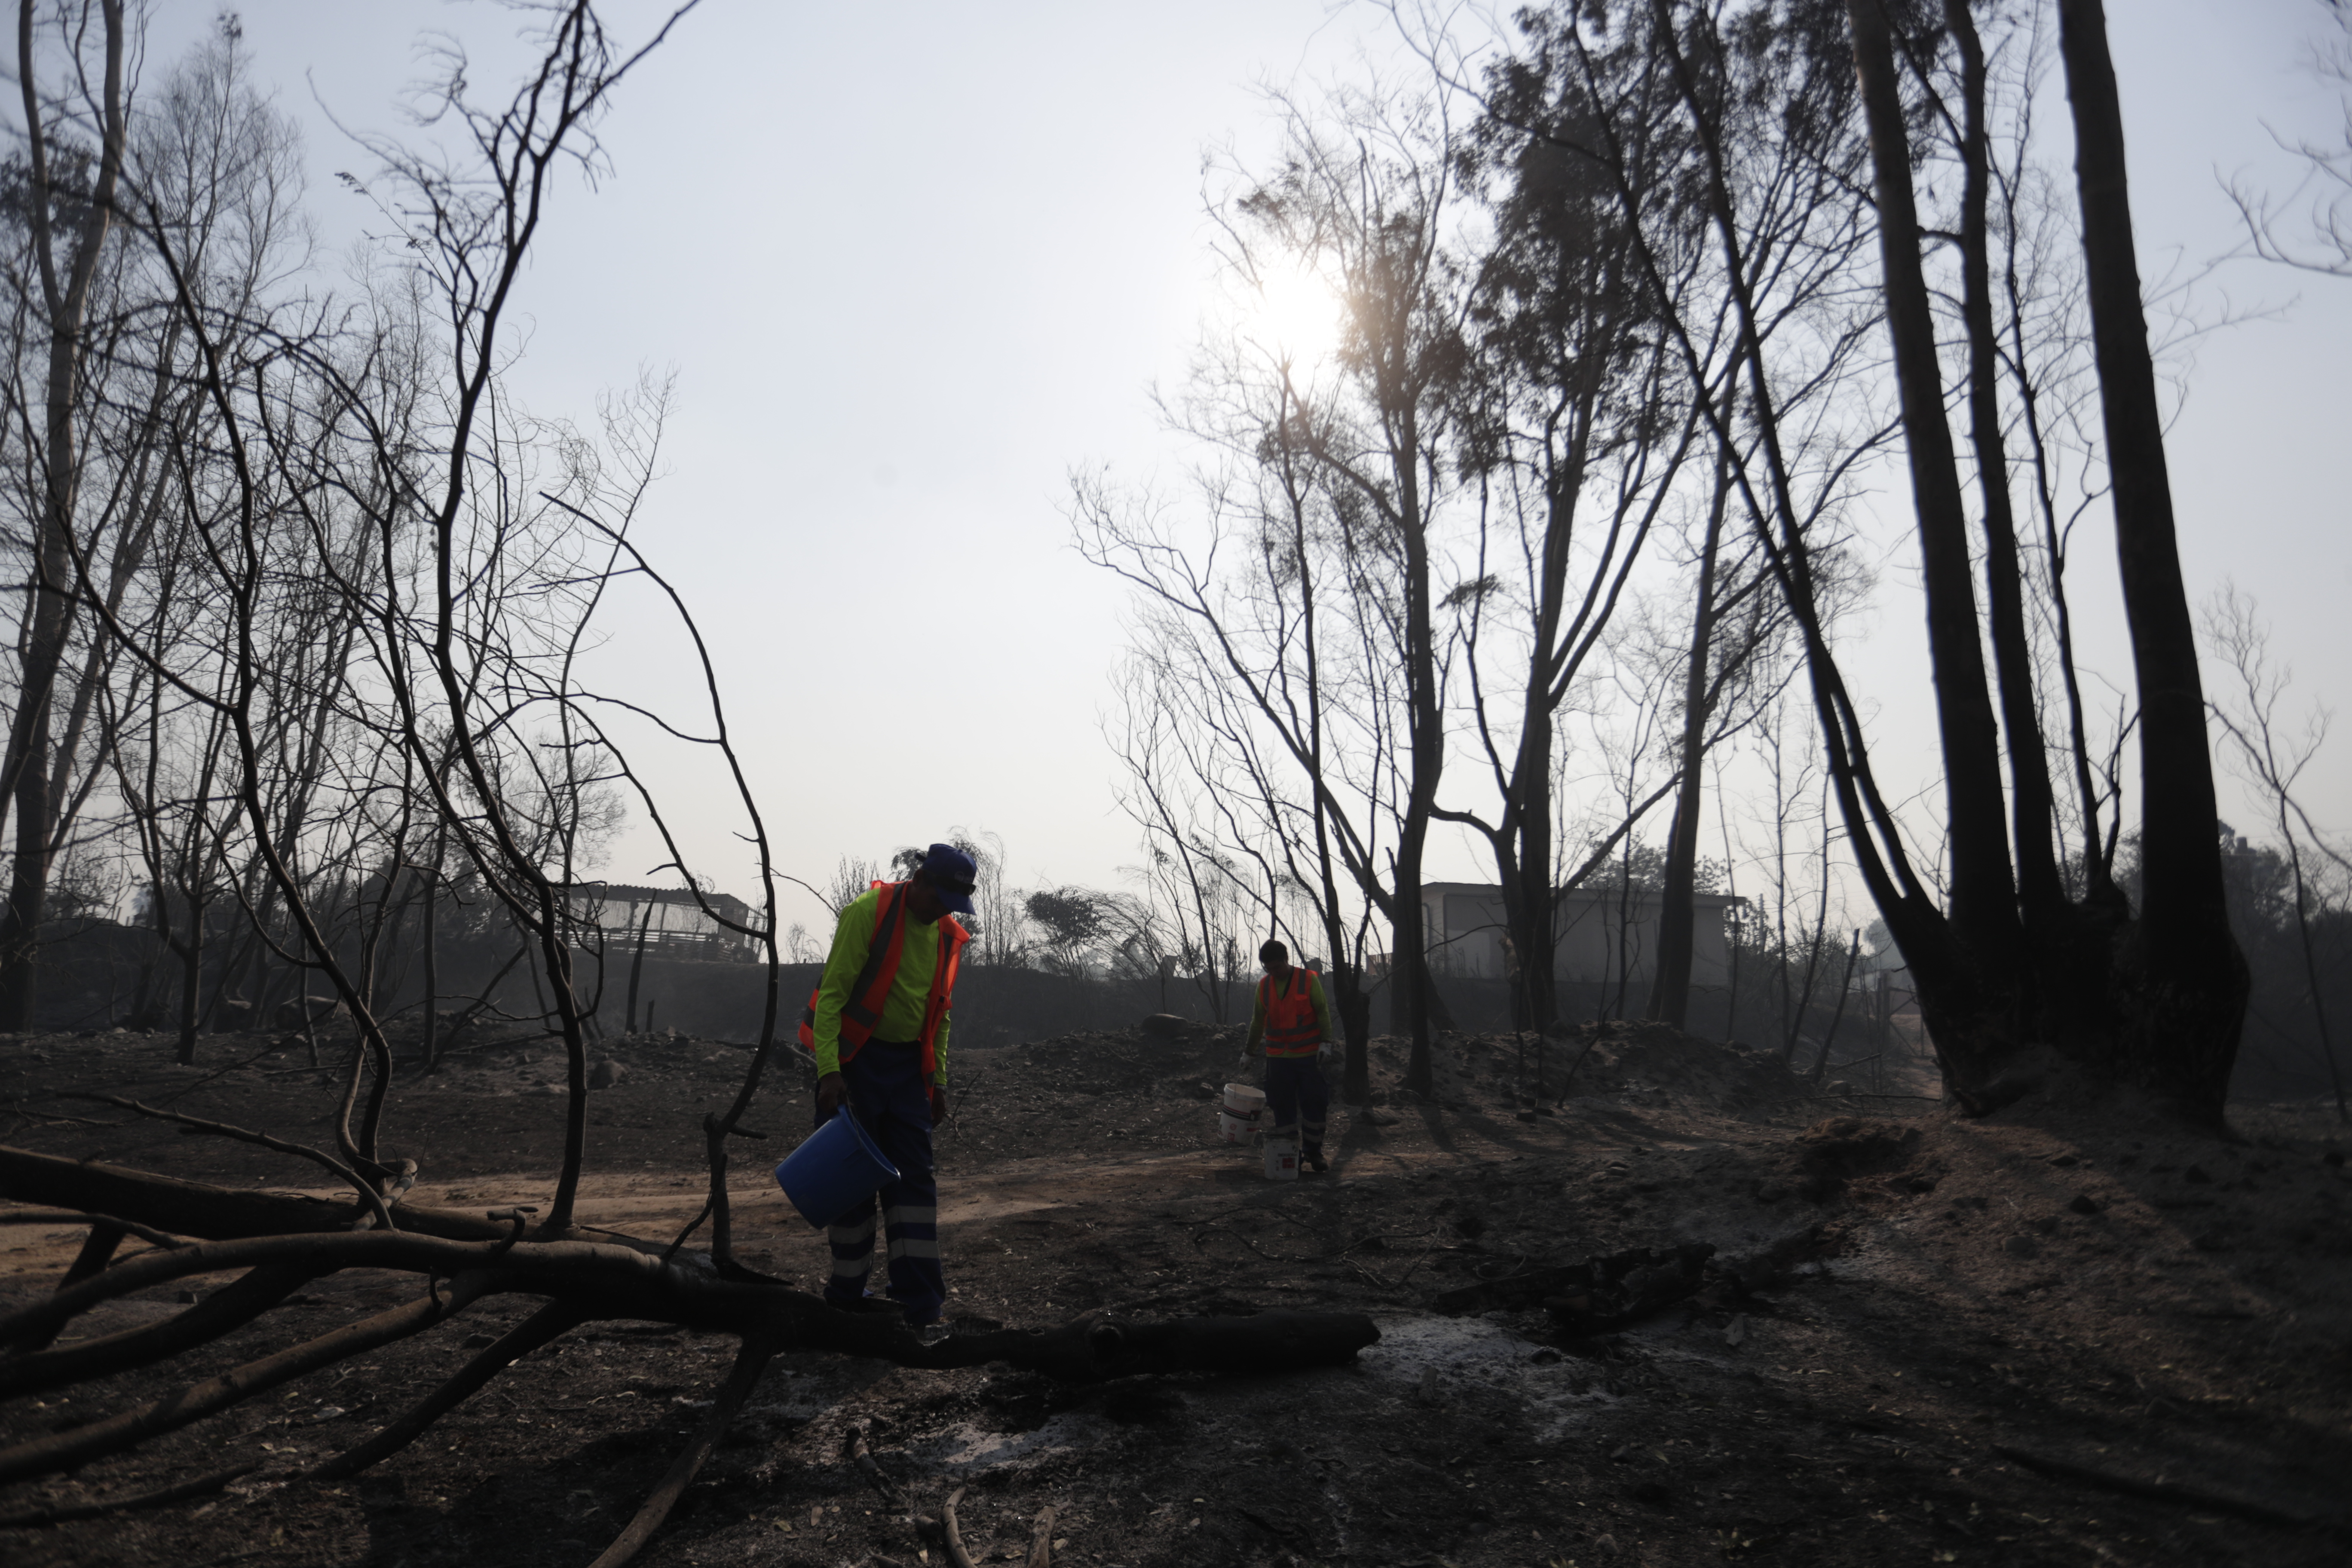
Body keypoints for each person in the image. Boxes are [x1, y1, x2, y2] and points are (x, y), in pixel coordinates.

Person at [797, 842, 974, 1326]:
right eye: (938, 899)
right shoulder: (867, 913)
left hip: (906, 1073)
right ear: (918, 882)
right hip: (855, 1065)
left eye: (951, 906)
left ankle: (920, 1304)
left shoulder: (945, 935)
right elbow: (832, 995)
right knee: (850, 1181)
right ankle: (847, 1297)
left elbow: (940, 1017)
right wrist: (829, 1071)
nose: (942, 912)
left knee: (915, 1185)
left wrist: (937, 1081)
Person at [1244, 938, 1334, 1174]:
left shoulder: (1308, 980)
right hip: (1278, 1059)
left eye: (1277, 967)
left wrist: (1326, 1043)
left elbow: (1322, 1012)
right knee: (1282, 1106)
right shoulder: (1263, 986)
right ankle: (1290, 1154)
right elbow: (1258, 1022)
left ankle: (1314, 1153)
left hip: (1308, 1057)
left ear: (1287, 960)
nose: (1274, 972)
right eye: (1269, 969)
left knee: (1314, 1103)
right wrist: (1249, 1052)